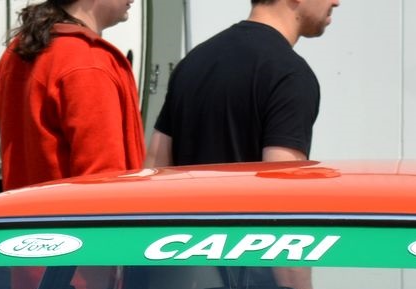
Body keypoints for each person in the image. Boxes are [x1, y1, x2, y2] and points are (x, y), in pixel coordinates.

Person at [145, 0, 340, 168]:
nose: (336, 2)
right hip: (242, 211)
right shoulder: (291, 75)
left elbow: (156, 166)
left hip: (184, 210)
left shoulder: (192, 62)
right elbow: (282, 189)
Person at [0, 0, 145, 191]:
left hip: (25, 216)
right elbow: (103, 184)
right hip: (70, 218)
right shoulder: (87, 62)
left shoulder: (15, 54)